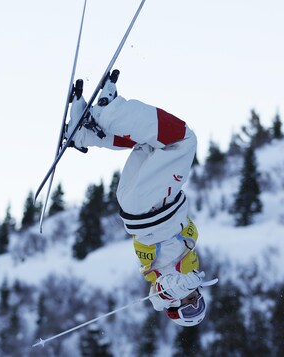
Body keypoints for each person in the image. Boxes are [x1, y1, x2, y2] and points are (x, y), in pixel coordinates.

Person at [65, 70, 207, 327]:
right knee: (150, 143)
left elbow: (156, 292)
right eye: (199, 303)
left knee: (183, 141)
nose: (193, 300)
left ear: (173, 307)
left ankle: (109, 113)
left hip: (148, 207)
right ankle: (85, 134)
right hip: (141, 203)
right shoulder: (190, 267)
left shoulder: (162, 283)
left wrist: (166, 290)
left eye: (188, 308)